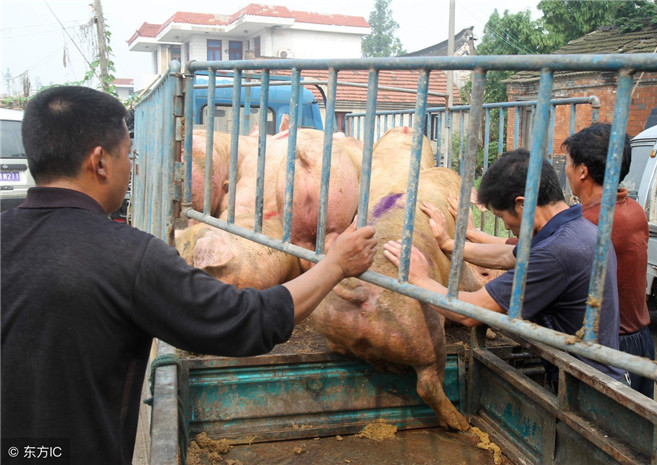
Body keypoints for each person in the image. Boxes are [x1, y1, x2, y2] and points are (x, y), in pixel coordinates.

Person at [1, 86, 377, 464]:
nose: (132, 167)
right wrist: (335, 266)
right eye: (128, 155)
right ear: (99, 162)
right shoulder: (129, 257)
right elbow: (245, 320)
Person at [383, 148, 627, 385]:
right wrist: (450, 245)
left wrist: (420, 280)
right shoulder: (576, 230)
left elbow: (471, 311)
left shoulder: (556, 252)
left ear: (521, 204)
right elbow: (507, 255)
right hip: (597, 372)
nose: (506, 226)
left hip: (586, 384)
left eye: (501, 217)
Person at [563, 123, 654, 397]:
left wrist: (465, 237)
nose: (565, 169)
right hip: (640, 340)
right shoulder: (634, 210)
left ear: (582, 171)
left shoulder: (592, 221)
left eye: (568, 162)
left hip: (609, 346)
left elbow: (536, 250)